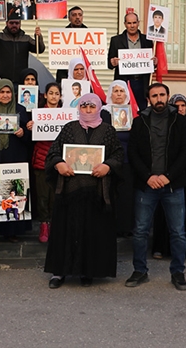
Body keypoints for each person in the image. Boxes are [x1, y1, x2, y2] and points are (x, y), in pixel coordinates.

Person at [45, 93, 123, 288]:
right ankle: (59, 272)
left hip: (96, 192)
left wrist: (108, 166)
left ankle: (88, 271)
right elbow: (53, 152)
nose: (88, 111)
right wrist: (59, 164)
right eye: (84, 107)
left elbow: (118, 154)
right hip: (69, 192)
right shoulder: (69, 128)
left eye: (92, 107)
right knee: (65, 231)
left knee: (92, 232)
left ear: (98, 108)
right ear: (79, 108)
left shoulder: (108, 131)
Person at [126, 83, 186, 291]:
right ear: (149, 99)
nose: (159, 99)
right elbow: (133, 153)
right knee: (140, 231)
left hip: (172, 185)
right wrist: (148, 177)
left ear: (168, 96)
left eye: (162, 95)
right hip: (146, 185)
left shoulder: (179, 121)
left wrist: (168, 177)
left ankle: (178, 272)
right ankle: (140, 270)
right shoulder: (139, 122)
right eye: (154, 96)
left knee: (178, 232)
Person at [152, 93, 186, 260]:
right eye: (177, 106)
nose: (180, 109)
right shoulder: (166, 123)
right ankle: (161, 247)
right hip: (169, 172)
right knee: (164, 209)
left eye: (183, 106)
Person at [0, 79, 34, 241]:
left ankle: (11, 231)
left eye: (8, 92)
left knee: (12, 194)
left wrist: (23, 133)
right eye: (2, 92)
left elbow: (30, 138)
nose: (5, 95)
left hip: (15, 158)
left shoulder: (20, 110)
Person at [27, 82, 62, 243]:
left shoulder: (66, 114)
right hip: (41, 160)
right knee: (42, 195)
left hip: (59, 162)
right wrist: (30, 127)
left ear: (60, 96)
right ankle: (44, 224)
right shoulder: (37, 114)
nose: (54, 96)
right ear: (45, 95)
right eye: (51, 93)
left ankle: (55, 224)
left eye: (57, 93)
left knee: (56, 195)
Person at [100, 80, 136, 236]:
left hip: (128, 160)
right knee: (110, 194)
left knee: (126, 196)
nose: (119, 94)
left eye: (122, 91)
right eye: (115, 91)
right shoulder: (104, 112)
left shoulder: (133, 112)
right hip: (109, 161)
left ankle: (125, 227)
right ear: (110, 94)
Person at [108, 12, 154, 111]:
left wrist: (155, 62)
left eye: (134, 23)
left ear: (138, 23)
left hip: (142, 83)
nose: (132, 26)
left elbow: (151, 64)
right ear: (125, 24)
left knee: (142, 110)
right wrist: (113, 62)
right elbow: (109, 63)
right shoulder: (116, 40)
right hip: (124, 82)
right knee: (123, 110)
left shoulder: (147, 41)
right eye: (129, 23)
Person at [0, 16, 45, 83]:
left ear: (20, 24)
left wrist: (38, 37)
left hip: (21, 81)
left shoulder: (27, 39)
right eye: (11, 23)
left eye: (16, 23)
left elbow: (40, 49)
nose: (14, 25)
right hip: (2, 80)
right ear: (6, 23)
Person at [55, 6, 87, 81]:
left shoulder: (90, 34)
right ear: (69, 18)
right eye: (74, 15)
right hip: (64, 73)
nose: (77, 17)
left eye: (80, 15)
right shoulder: (62, 34)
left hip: (84, 74)